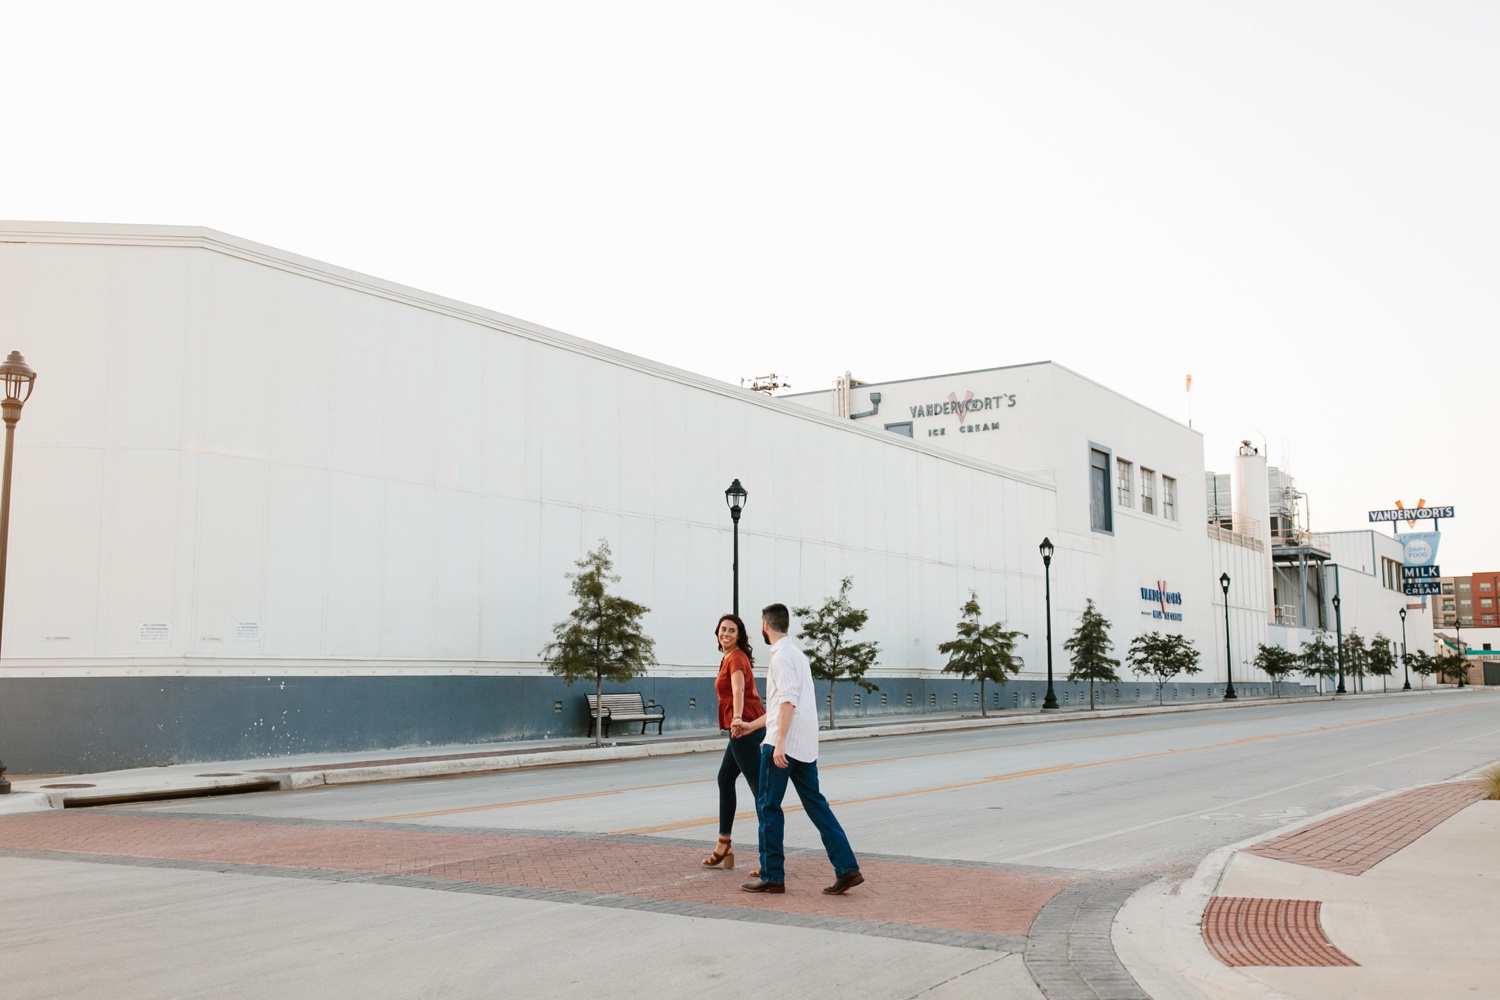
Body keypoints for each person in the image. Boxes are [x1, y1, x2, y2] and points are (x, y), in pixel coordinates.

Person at [733, 602, 864, 895]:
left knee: (768, 807)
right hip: (804, 746)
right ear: (786, 625)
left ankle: (772, 875)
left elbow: (788, 701)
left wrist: (778, 743)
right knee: (817, 806)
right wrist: (752, 726)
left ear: (764, 625)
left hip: (784, 746)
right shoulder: (799, 656)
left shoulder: (780, 658)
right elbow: (784, 704)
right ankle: (847, 868)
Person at [701, 613, 766, 871]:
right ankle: (724, 843)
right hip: (740, 727)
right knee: (725, 779)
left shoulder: (737, 658)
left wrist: (737, 720)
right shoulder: (728, 657)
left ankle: (769, 856)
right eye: (722, 629)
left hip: (744, 728)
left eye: (731, 630)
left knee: (759, 789)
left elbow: (738, 690)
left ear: (739, 635)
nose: (725, 634)